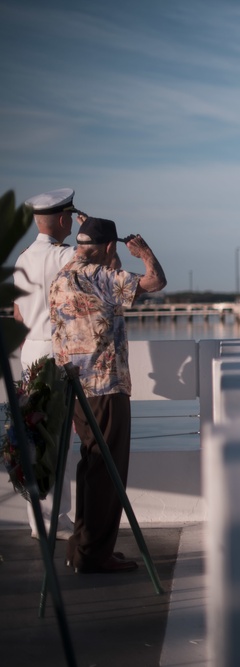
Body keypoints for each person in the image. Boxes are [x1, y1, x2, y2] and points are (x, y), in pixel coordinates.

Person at [50, 217, 166, 573]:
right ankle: (94, 556)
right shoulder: (99, 277)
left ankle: (82, 548)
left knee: (91, 466)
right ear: (110, 248)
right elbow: (155, 282)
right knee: (107, 471)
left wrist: (108, 248)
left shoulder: (62, 276)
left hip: (75, 388)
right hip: (105, 387)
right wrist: (145, 253)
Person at [12, 188, 83, 540]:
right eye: (69, 216)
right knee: (56, 439)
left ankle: (37, 519)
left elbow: (18, 314)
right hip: (56, 353)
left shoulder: (23, 258)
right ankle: (58, 519)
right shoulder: (67, 256)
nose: (70, 222)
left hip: (29, 351)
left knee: (33, 436)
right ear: (60, 219)